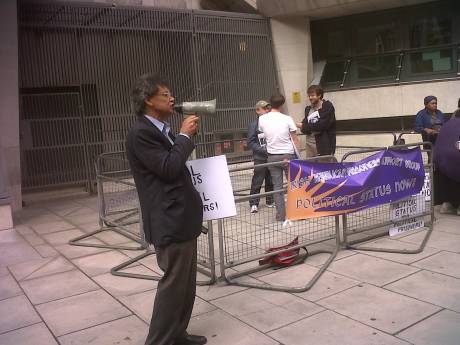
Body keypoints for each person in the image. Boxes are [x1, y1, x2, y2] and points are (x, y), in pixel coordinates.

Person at [126, 73, 207, 345]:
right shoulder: (141, 134)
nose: (172, 98)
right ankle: (159, 340)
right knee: (173, 284)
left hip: (182, 217)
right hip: (168, 219)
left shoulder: (162, 129)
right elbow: (168, 168)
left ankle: (177, 334)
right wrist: (184, 135)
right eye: (165, 95)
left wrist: (180, 137)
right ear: (148, 100)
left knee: (186, 284)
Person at [258, 93, 299, 222]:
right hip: (288, 155)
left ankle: (281, 216)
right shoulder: (287, 118)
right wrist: (298, 155)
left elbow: (262, 132)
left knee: (277, 187)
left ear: (270, 104)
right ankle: (296, 213)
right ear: (282, 104)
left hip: (272, 156)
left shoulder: (262, 119)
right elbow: (295, 138)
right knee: (294, 185)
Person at [247, 100, 274, 213]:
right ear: (258, 110)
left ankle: (270, 200)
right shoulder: (254, 125)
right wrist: (262, 150)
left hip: (272, 155)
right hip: (260, 157)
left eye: (268, 108)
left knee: (270, 179)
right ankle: (254, 203)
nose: (267, 110)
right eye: (265, 108)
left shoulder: (271, 122)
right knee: (257, 180)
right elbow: (251, 142)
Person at [433, 110, 460, 215]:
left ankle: (447, 205)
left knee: (448, 179)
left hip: (440, 158)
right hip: (455, 157)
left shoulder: (447, 124)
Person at [297, 85, 336, 157]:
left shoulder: (327, 106)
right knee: (311, 167)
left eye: (312, 95)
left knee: (324, 166)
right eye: (309, 96)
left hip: (323, 146)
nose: (310, 98)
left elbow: (322, 125)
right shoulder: (308, 109)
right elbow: (304, 128)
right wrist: (304, 126)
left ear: (319, 95)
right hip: (309, 145)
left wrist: (304, 126)